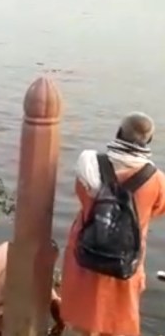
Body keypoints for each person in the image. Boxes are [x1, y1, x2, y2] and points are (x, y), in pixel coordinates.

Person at [60, 112, 165, 336]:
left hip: (86, 249)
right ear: (148, 140)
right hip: (126, 257)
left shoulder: (89, 165)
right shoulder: (156, 179)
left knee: (83, 313)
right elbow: (157, 210)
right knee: (118, 318)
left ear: (118, 133)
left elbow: (81, 194)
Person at [0, 241, 65, 334]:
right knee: (34, 304)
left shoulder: (7, 246)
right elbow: (53, 303)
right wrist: (60, 326)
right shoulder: (33, 269)